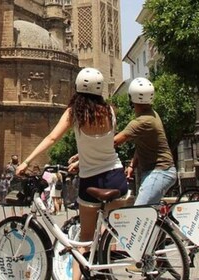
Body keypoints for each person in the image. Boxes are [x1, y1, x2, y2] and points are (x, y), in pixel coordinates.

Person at [15, 68, 127, 280]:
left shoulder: (75, 113)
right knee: (106, 234)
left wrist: (26, 161)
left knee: (85, 239)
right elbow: (103, 145)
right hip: (117, 176)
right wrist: (80, 158)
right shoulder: (111, 111)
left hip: (91, 179)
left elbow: (51, 138)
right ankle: (104, 268)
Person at [114, 77, 177, 205]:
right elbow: (142, 144)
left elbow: (114, 142)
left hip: (159, 172)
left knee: (139, 212)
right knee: (148, 215)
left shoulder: (141, 121)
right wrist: (132, 164)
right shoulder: (152, 114)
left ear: (131, 99)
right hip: (160, 171)